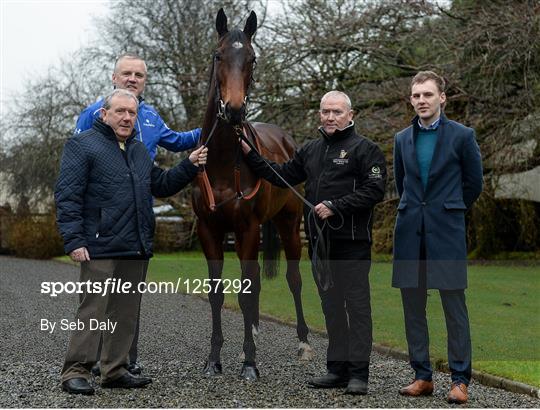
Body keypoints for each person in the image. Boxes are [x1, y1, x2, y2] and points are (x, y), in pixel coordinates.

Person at [55, 89, 207, 395]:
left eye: (132, 113)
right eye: (120, 111)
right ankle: (75, 371)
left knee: (124, 313)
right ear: (104, 114)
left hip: (135, 245)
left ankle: (114, 369)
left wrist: (189, 164)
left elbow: (161, 185)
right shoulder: (81, 146)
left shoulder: (138, 150)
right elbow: (67, 196)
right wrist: (74, 240)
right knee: (92, 310)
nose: (127, 117)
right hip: (97, 246)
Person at [241, 91, 386, 395]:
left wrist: (337, 205)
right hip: (321, 245)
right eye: (325, 112)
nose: (330, 117)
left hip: (352, 242)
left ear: (351, 115)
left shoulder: (366, 150)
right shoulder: (311, 150)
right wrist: (250, 154)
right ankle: (337, 370)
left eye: (336, 112)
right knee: (331, 307)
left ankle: (359, 374)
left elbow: (375, 191)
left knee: (357, 308)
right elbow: (280, 176)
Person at [76, 52, 201, 374]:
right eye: (127, 73)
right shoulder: (93, 114)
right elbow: (76, 171)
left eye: (139, 75)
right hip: (104, 224)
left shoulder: (150, 117)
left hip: (139, 222)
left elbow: (177, 142)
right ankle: (84, 365)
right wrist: (77, 231)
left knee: (127, 303)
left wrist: (212, 125)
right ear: (114, 77)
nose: (133, 79)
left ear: (145, 81)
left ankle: (120, 363)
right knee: (97, 302)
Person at [392, 71, 483, 404]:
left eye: (427, 95)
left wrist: (450, 209)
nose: (421, 101)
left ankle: (460, 380)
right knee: (413, 308)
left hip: (447, 234)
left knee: (454, 309)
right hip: (409, 233)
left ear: (442, 98)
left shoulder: (462, 136)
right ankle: (422, 376)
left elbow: (474, 184)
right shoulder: (401, 139)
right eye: (416, 96)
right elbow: (403, 185)